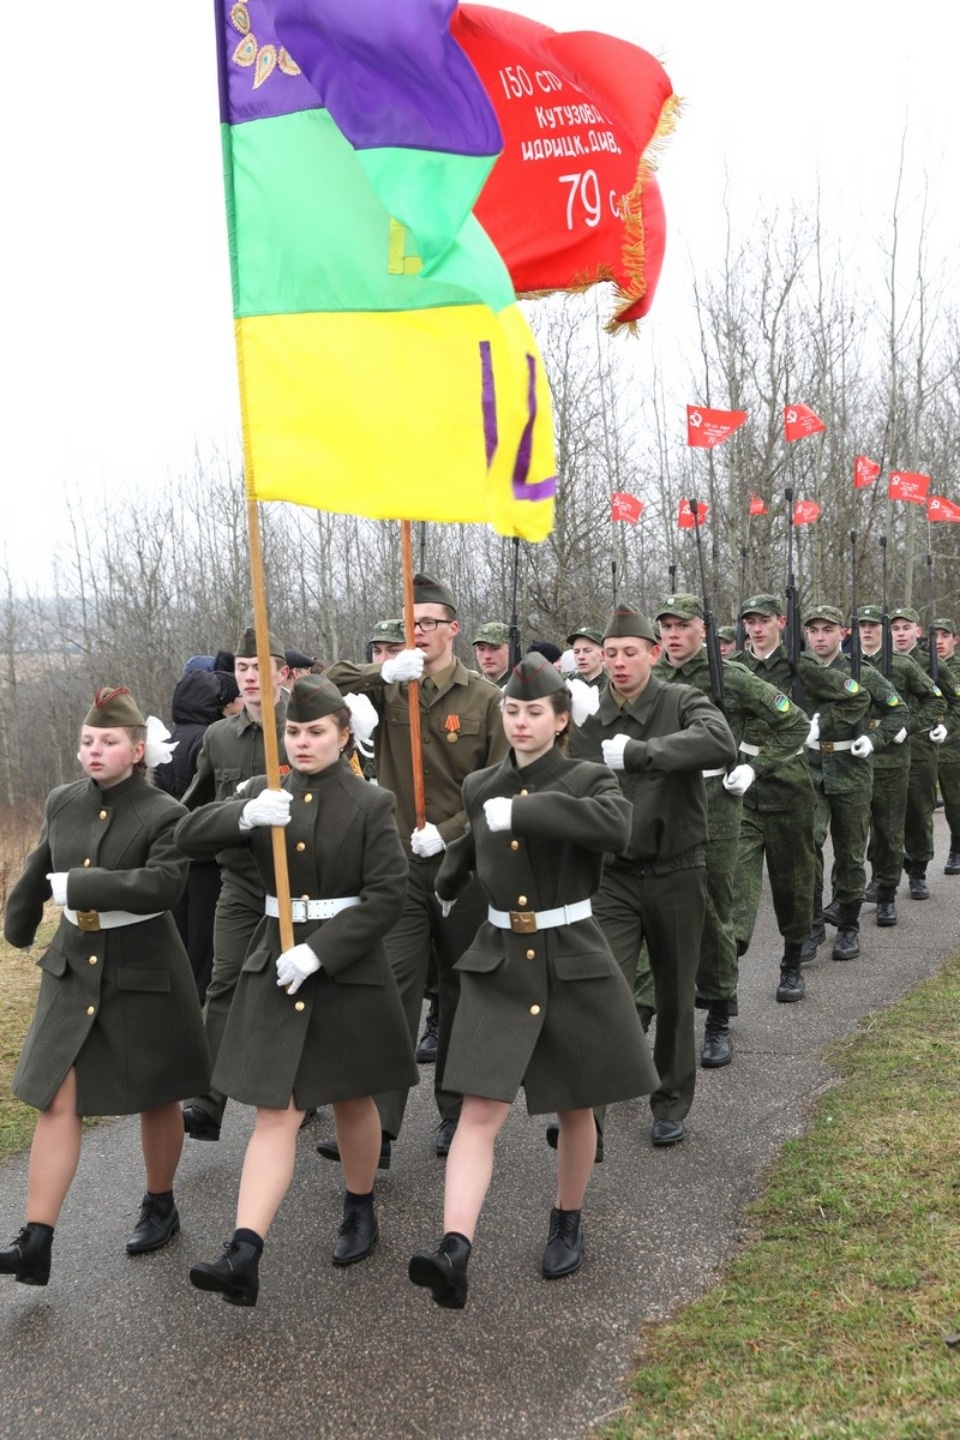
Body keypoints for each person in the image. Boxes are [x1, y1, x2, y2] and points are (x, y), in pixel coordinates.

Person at [408, 655, 655, 1310]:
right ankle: (454, 1246)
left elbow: (616, 828)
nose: (520, 722)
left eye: (534, 712)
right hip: (498, 957)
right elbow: (474, 845)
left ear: (561, 718)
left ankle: (566, 1217)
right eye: (512, 712)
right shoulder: (482, 784)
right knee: (478, 1108)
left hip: (568, 952)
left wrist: (532, 812)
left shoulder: (588, 777)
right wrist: (446, 871)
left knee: (576, 1105)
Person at [178, 676, 414, 1305]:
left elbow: (390, 895)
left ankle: (360, 1205)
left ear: (343, 735)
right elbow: (184, 835)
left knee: (353, 1100)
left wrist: (324, 948)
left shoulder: (372, 804)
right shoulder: (264, 791)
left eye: (315, 732)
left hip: (345, 967)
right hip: (277, 959)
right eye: (294, 731)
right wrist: (243, 812)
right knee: (275, 1108)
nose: (303, 741)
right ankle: (244, 1251)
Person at [0, 687, 209, 1286]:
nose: (95, 750)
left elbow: (165, 886)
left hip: (143, 969)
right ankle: (35, 1241)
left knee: (157, 1095)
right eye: (88, 741)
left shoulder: (164, 812)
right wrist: (18, 921)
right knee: (57, 1097)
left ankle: (160, 1202)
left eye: (108, 742)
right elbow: (43, 862)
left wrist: (86, 889)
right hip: (71, 966)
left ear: (137, 749)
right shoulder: (63, 800)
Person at [322, 574, 508, 1164]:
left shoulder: (485, 699)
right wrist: (382, 672)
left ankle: (455, 1113)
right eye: (410, 625)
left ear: (455, 628)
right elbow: (321, 690)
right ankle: (377, 1126)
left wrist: (451, 835)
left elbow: (504, 787)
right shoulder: (388, 689)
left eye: (429, 622)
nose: (419, 632)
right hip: (398, 867)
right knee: (391, 987)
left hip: (465, 867)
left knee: (460, 989)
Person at [569, 603, 737, 1148]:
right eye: (611, 653)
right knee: (602, 987)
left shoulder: (680, 699)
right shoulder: (593, 715)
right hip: (614, 875)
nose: (619, 663)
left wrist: (642, 752)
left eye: (630, 653)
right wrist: (569, 726)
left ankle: (669, 1101)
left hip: (677, 869)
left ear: (654, 654)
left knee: (673, 992)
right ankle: (588, 1106)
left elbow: (718, 742)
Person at [654, 595, 810, 1046]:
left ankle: (719, 1012)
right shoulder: (650, 676)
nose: (672, 635)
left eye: (681, 626)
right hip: (661, 805)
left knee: (718, 911)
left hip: (716, 805)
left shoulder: (732, 677)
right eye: (665, 626)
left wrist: (755, 765)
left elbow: (795, 724)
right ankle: (650, 1012)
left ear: (702, 631)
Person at [179, 627, 289, 1142]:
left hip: (302, 884)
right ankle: (207, 1102)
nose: (248, 678)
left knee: (293, 988)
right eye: (242, 670)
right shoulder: (218, 737)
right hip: (241, 881)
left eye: (258, 669)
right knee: (223, 984)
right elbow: (194, 809)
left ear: (280, 674)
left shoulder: (306, 724)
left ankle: (298, 1087)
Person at [801, 604, 905, 961]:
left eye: (827, 630)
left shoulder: (861, 671)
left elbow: (898, 710)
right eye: (813, 630)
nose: (819, 637)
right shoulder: (800, 670)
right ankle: (812, 926)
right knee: (807, 847)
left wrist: (874, 741)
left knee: (849, 852)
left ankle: (848, 925)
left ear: (842, 633)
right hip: (810, 767)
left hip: (852, 767)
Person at [155, 667, 242, 1002]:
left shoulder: (168, 738)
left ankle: (180, 1004)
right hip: (206, 856)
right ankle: (200, 1013)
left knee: (181, 938)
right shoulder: (211, 737)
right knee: (206, 946)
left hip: (174, 854)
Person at [854, 606, 944, 926]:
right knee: (858, 831)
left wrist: (911, 725)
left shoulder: (903, 665)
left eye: (872, 625)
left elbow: (938, 700)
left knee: (900, 822)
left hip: (894, 757)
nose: (867, 631)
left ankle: (906, 876)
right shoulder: (845, 665)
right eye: (861, 625)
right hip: (855, 758)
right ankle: (874, 881)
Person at [889, 605, 960, 898]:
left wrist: (945, 727)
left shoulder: (931, 663)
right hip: (886, 749)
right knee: (883, 815)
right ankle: (883, 872)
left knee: (919, 810)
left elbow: (955, 702)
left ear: (918, 632)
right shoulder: (880, 662)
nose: (901, 633)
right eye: (895, 628)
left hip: (920, 747)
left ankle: (918, 870)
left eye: (907, 627)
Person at [932, 619, 960, 874]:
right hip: (924, 743)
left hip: (953, 745)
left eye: (944, 635)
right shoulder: (922, 665)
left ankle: (956, 847)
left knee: (954, 800)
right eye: (935, 636)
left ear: (955, 639)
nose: (939, 641)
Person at [472, 622, 512, 688]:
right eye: (481, 649)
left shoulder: (523, 687)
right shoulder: (469, 688)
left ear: (510, 650)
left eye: (494, 648)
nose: (486, 656)